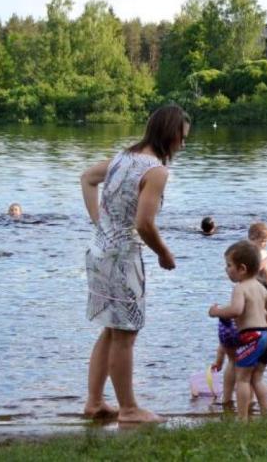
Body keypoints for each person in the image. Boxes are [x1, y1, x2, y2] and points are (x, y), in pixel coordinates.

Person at [80, 104, 190, 424]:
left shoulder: (122, 158)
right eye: (181, 138)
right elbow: (144, 223)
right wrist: (164, 253)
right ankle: (128, 409)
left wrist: (99, 222)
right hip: (123, 258)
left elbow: (87, 178)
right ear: (169, 135)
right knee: (126, 334)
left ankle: (95, 402)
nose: (182, 145)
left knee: (111, 331)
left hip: (99, 251)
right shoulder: (155, 171)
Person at [208, 240, 267, 421]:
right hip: (264, 336)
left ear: (242, 269)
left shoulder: (240, 288)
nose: (226, 269)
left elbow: (236, 310)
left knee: (243, 379)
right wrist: (264, 325)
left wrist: (216, 312)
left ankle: (242, 419)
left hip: (250, 337)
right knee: (258, 379)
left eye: (229, 265)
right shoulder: (261, 288)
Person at [211, 273, 267, 408]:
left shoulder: (239, 295)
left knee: (236, 366)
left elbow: (223, 341)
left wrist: (215, 312)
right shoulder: (259, 307)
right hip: (256, 338)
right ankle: (253, 403)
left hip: (236, 336)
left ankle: (227, 400)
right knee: (253, 377)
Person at [248, 222, 267, 288]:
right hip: (257, 288)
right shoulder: (252, 253)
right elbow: (256, 268)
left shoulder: (264, 252)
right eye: (262, 241)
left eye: (266, 241)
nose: (264, 244)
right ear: (251, 239)